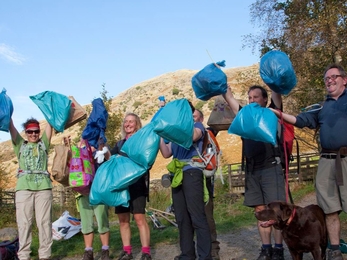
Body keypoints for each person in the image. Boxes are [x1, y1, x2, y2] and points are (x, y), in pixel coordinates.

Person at [270, 63, 347, 260]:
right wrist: (279, 114)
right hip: (327, 161)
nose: (329, 80)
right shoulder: (321, 107)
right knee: (330, 209)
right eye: (326, 78)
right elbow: (300, 120)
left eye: (334, 77)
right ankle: (335, 249)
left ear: (344, 80)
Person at [222, 85, 285, 260]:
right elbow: (230, 99)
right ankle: (266, 249)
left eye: (256, 97)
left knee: (275, 209)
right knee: (259, 210)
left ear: (265, 100)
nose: (252, 100)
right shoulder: (244, 116)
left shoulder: (272, 112)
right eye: (249, 97)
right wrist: (222, 85)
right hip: (252, 169)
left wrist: (274, 80)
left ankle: (278, 249)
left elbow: (276, 92)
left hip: (271, 166)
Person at [159, 103, 212, 260]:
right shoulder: (174, 132)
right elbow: (166, 153)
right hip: (177, 175)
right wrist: (161, 134)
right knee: (182, 218)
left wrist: (177, 125)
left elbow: (193, 137)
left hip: (192, 173)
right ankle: (187, 254)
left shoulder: (197, 125)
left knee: (197, 216)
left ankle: (205, 256)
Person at [9, 117, 53, 260]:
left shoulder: (44, 144)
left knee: (44, 223)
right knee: (24, 223)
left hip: (44, 188)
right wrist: (6, 112)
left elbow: (51, 122)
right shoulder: (20, 144)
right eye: (30, 132)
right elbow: (11, 127)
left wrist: (51, 109)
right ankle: (23, 256)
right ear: (26, 132)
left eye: (36, 131)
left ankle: (45, 255)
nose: (33, 134)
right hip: (23, 189)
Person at [110, 113, 152, 260]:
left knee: (139, 218)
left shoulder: (142, 141)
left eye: (131, 122)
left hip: (137, 184)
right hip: (121, 186)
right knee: (123, 219)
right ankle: (127, 251)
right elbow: (111, 159)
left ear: (137, 124)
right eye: (126, 121)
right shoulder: (119, 144)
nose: (128, 124)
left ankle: (146, 252)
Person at [73, 136, 111, 260]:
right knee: (86, 223)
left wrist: (102, 147)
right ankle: (88, 251)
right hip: (83, 192)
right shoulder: (80, 149)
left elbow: (109, 159)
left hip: (98, 190)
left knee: (102, 220)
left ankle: (105, 250)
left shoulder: (101, 145)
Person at [193, 109, 220, 260]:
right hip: (187, 180)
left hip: (205, 180)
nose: (192, 121)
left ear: (201, 119)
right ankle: (192, 249)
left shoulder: (207, 135)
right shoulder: (183, 134)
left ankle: (213, 249)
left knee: (207, 215)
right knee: (190, 217)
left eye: (195, 118)